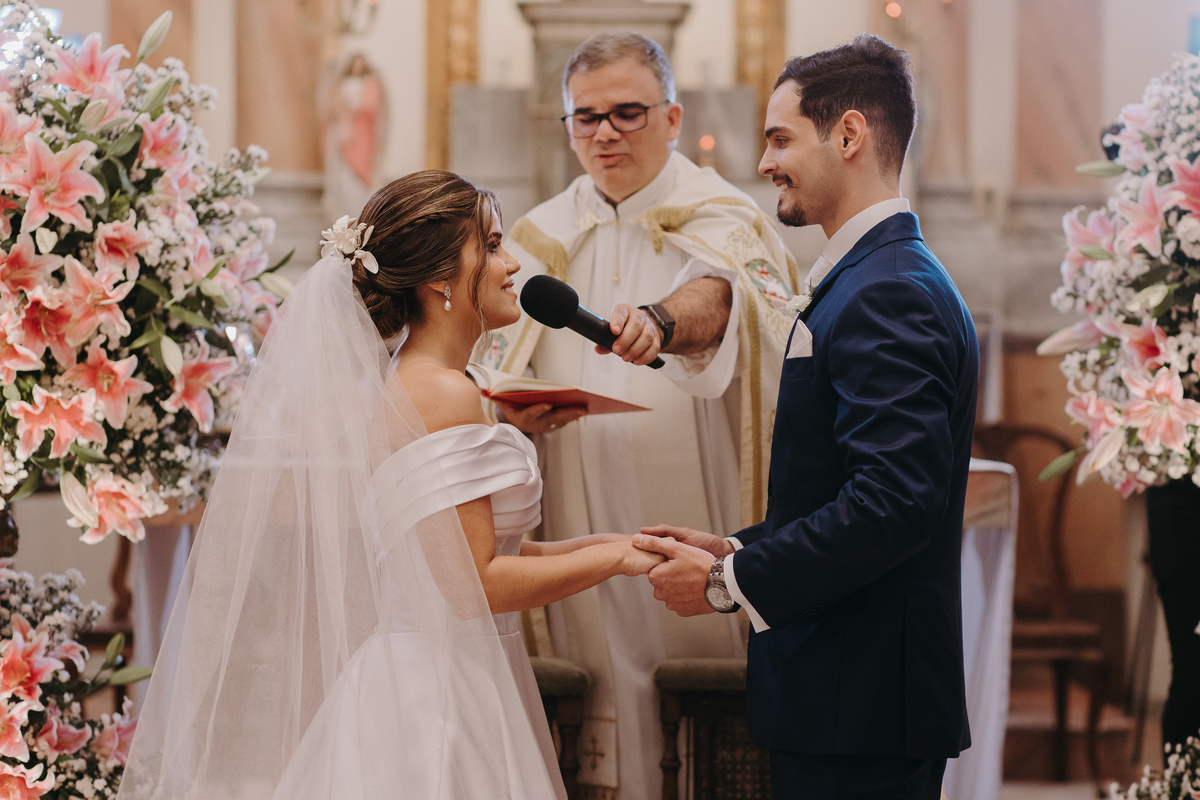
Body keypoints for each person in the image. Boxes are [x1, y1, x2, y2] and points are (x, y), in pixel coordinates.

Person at [116, 171, 664, 800]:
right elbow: (475, 585)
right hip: (435, 697)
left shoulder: (423, 380)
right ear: (438, 278)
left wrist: (624, 544)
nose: (512, 264)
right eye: (491, 245)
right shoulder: (441, 391)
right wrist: (617, 562)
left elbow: (476, 555)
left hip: (442, 671)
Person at [635, 35, 977, 799]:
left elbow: (892, 504)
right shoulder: (871, 277)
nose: (765, 163)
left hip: (862, 705)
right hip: (846, 700)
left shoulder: (889, 291)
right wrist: (739, 545)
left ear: (848, 134)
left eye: (780, 138)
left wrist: (726, 581)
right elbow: (841, 488)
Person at [477, 31, 798, 798]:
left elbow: (722, 295)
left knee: (693, 666)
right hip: (573, 501)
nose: (605, 133)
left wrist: (662, 320)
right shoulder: (538, 235)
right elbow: (490, 359)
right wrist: (515, 413)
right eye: (585, 117)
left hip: (699, 499)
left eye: (627, 112)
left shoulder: (724, 217)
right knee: (591, 656)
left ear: (673, 117)